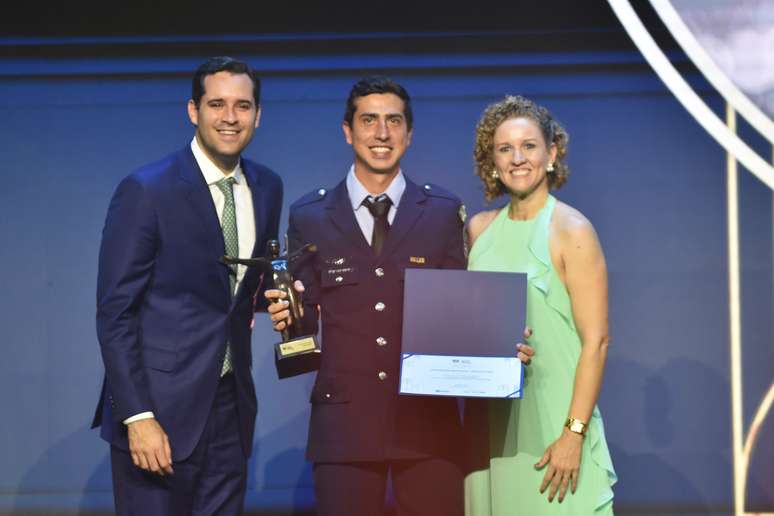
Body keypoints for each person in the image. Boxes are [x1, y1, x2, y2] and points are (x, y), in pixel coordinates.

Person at [265, 76, 534, 516]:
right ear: (348, 131)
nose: (381, 133)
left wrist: (499, 344)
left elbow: (461, 313)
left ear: (409, 135)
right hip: (344, 427)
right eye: (368, 120)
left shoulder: (442, 212)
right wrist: (288, 316)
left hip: (428, 425)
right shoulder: (310, 215)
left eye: (393, 121)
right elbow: (303, 325)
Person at [93, 56, 283, 515]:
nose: (230, 117)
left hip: (230, 411)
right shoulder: (147, 189)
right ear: (193, 110)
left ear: (258, 115)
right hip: (157, 413)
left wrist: (280, 302)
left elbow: (235, 292)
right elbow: (115, 313)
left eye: (242, 106)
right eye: (217, 104)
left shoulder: (267, 187)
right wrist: (137, 416)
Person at [464, 95, 617, 515]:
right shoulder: (479, 230)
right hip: (490, 424)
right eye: (505, 148)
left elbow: (597, 342)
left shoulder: (572, 229)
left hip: (554, 423)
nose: (517, 159)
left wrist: (573, 434)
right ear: (491, 161)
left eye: (529, 146)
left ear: (551, 154)